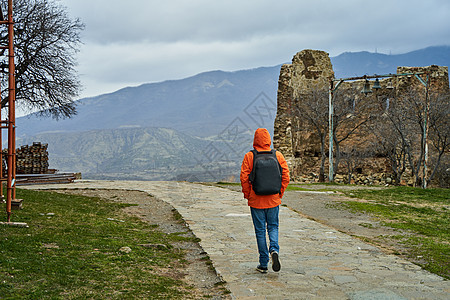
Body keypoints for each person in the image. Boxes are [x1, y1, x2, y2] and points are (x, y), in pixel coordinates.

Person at [240, 128, 290, 273]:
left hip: (256, 200)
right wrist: (280, 193)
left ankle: (263, 263)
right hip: (273, 200)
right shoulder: (277, 155)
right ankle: (274, 250)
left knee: (260, 231)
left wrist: (248, 195)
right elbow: (286, 176)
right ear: (268, 139)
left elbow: (244, 178)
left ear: (255, 140)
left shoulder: (249, 156)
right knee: (273, 227)